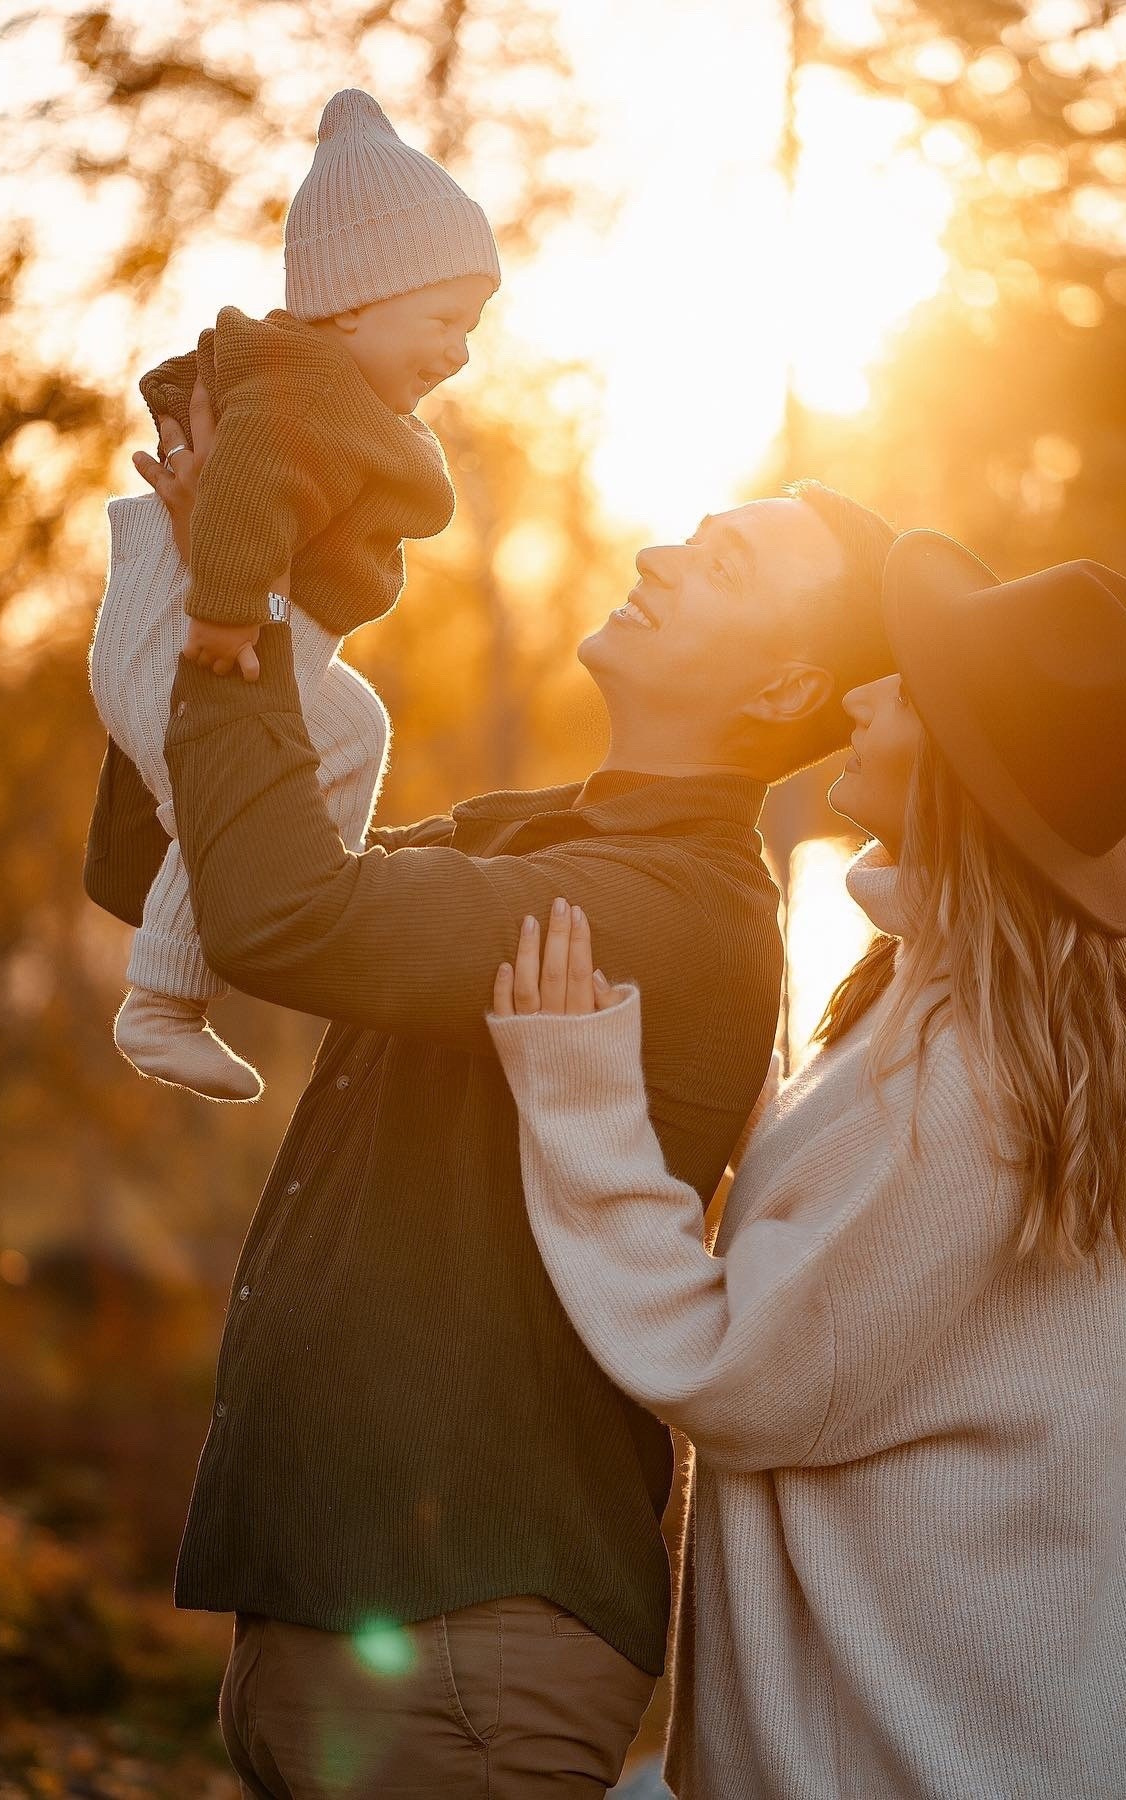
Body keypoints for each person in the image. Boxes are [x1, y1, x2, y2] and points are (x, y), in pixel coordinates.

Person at [83, 383, 899, 1792]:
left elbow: (282, 916)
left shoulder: (671, 911)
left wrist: (246, 602)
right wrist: (193, 571)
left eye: (725, 565)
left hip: (461, 1644)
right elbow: (177, 878)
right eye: (691, 533)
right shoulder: (536, 841)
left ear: (779, 691)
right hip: (361, 1633)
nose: (660, 556)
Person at [488, 530, 1126, 1799]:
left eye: (908, 689)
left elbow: (742, 1369)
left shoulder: (973, 1079)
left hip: (929, 1763)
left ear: (966, 772)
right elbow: (831, 1257)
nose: (862, 693)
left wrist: (578, 1094)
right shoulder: (931, 1010)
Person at [87, 86, 499, 1102]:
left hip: (241, 642)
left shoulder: (329, 389)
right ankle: (163, 1001)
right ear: (355, 296)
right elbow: (247, 492)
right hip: (193, 642)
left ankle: (311, 891)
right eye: (444, 318)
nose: (460, 349)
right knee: (226, 800)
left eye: (471, 326)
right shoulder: (298, 386)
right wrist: (226, 614)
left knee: (353, 728)